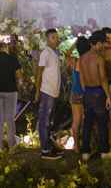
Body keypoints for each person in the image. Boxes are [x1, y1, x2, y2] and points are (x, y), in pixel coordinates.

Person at [79, 33, 111, 160]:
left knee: (87, 123)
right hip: (98, 91)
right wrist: (108, 95)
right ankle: (104, 151)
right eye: (101, 44)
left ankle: (85, 152)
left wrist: (85, 91)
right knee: (102, 123)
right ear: (97, 43)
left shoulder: (82, 58)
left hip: (87, 91)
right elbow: (103, 78)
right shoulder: (99, 59)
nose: (102, 46)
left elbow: (82, 78)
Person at [34, 28, 63, 159]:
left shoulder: (54, 53)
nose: (56, 40)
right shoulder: (46, 53)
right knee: (45, 121)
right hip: (47, 92)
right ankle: (45, 150)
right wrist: (37, 91)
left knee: (49, 122)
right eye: (53, 37)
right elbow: (39, 72)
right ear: (48, 39)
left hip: (53, 92)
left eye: (57, 37)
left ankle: (49, 147)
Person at [68, 36, 91, 155]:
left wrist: (75, 44)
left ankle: (76, 146)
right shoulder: (87, 61)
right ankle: (86, 144)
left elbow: (67, 53)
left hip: (74, 93)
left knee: (76, 121)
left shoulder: (75, 61)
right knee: (86, 120)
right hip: (85, 93)